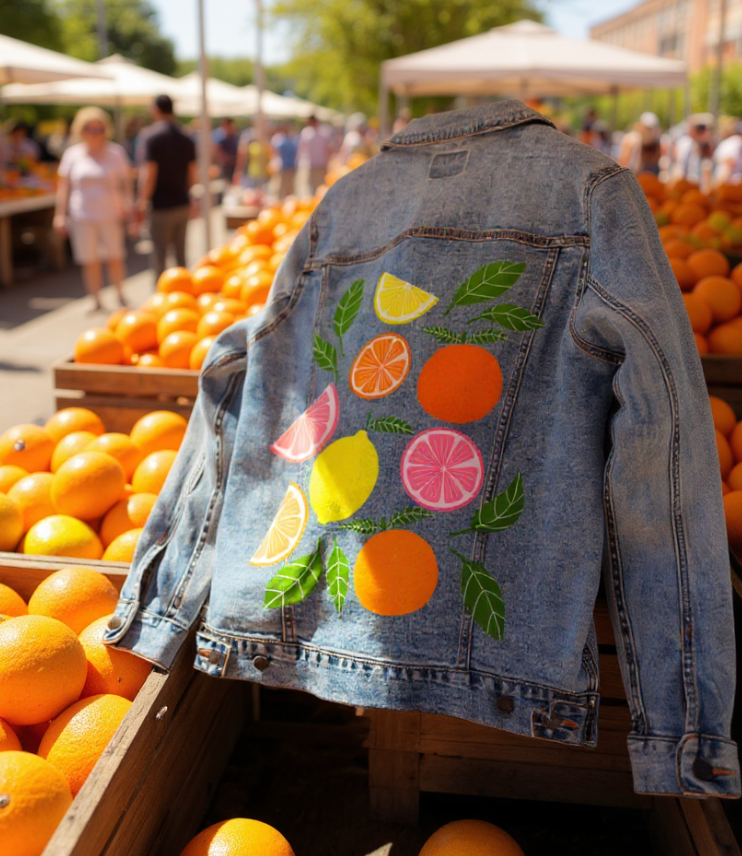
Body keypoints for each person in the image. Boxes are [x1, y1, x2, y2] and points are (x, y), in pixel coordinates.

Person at [53, 107, 132, 311]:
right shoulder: (73, 154)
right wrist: (60, 214)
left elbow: (126, 183)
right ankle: (95, 298)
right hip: (83, 214)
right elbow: (64, 187)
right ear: (82, 130)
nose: (96, 134)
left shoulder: (115, 152)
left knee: (115, 256)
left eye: (100, 129)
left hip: (110, 212)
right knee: (89, 259)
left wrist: (128, 206)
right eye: (91, 129)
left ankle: (120, 294)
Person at [135, 94, 197, 280]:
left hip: (160, 207)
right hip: (182, 204)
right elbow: (193, 173)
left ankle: (162, 295)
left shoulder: (151, 136)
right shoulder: (186, 136)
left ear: (156, 109)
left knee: (159, 255)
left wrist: (142, 202)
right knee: (181, 255)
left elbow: (149, 173)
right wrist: (192, 198)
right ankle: (184, 290)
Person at [671, 113, 715, 185]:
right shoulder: (686, 145)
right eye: (700, 128)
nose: (703, 132)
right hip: (689, 186)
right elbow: (679, 169)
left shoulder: (713, 145)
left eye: (704, 128)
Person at [296, 115, 333, 195]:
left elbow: (301, 150)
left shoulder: (307, 133)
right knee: (320, 187)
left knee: (315, 187)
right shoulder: (324, 133)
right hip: (320, 163)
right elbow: (329, 149)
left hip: (315, 164)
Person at [270, 124, 299, 198]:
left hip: (286, 166)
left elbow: (275, 151)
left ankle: (284, 199)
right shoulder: (292, 142)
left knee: (284, 186)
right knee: (289, 186)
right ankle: (287, 198)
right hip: (290, 166)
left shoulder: (283, 142)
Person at [713, 116, 742, 186]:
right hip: (730, 186)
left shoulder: (728, 143)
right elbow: (728, 166)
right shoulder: (735, 143)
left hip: (728, 185)